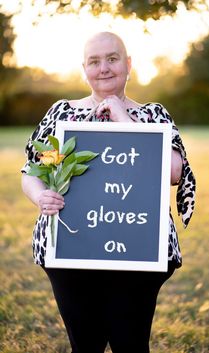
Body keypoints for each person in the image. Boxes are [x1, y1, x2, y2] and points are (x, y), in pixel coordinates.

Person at [21, 32, 196, 353]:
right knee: (85, 345)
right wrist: (40, 196)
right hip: (71, 249)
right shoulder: (63, 115)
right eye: (94, 61)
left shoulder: (153, 115)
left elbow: (173, 172)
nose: (103, 68)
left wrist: (122, 117)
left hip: (139, 251)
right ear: (84, 69)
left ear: (128, 64)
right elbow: (33, 171)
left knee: (130, 344)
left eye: (112, 59)